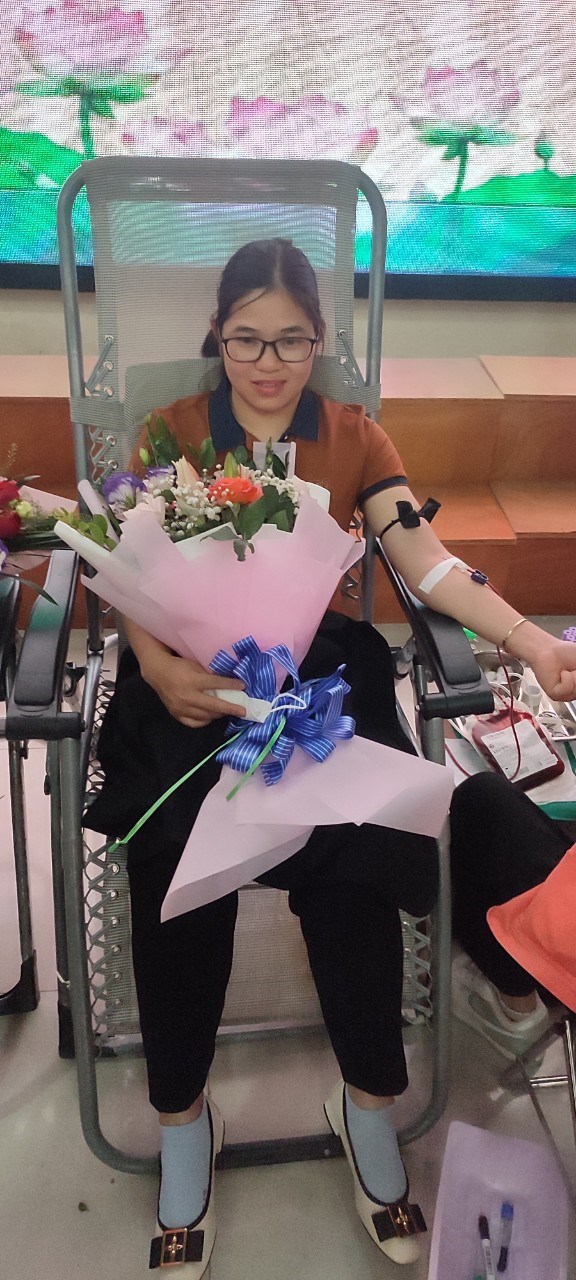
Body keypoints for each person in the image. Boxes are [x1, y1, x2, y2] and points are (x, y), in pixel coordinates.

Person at [85, 238, 576, 1275]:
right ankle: (184, 1120)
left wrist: (530, 637)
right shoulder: (171, 430)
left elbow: (423, 559)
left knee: (356, 851)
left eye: (292, 340)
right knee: (173, 870)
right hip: (190, 684)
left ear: (321, 340)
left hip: (314, 684)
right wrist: (157, 667)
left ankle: (367, 1105)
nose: (268, 362)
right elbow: (131, 572)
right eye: (247, 338)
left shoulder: (354, 435)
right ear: (217, 334)